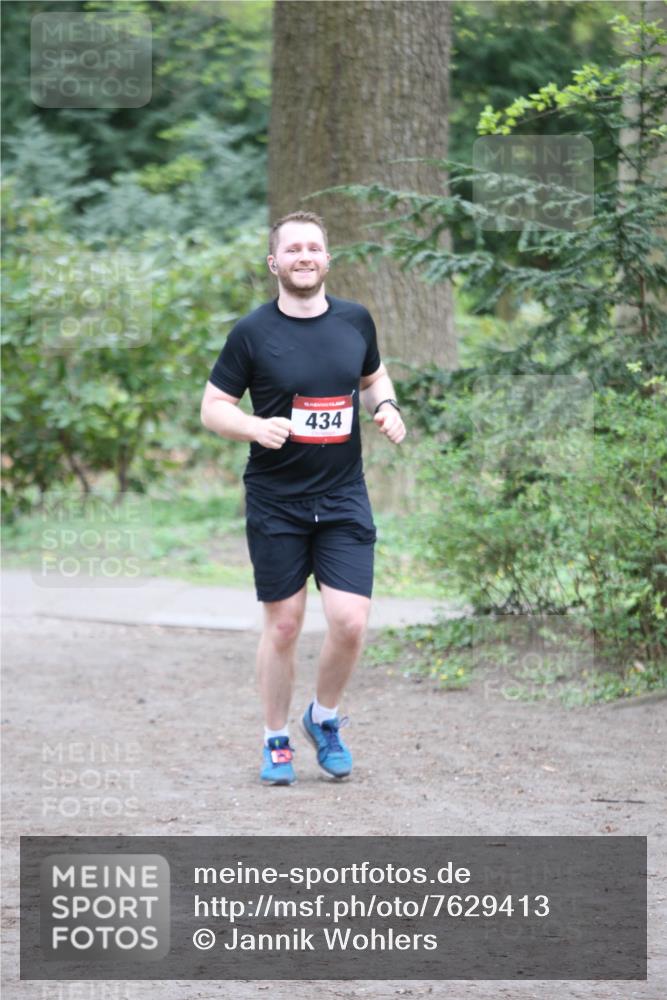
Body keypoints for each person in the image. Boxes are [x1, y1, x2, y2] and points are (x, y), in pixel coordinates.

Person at [200, 210, 406, 785]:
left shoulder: (355, 321)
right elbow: (213, 407)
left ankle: (324, 718)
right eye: (292, 250)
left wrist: (386, 408)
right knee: (285, 626)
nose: (304, 257)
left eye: (314, 247)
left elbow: (372, 380)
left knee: (350, 621)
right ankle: (275, 739)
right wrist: (254, 427)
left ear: (327, 259)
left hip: (342, 496)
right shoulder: (252, 332)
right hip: (276, 499)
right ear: (275, 263)